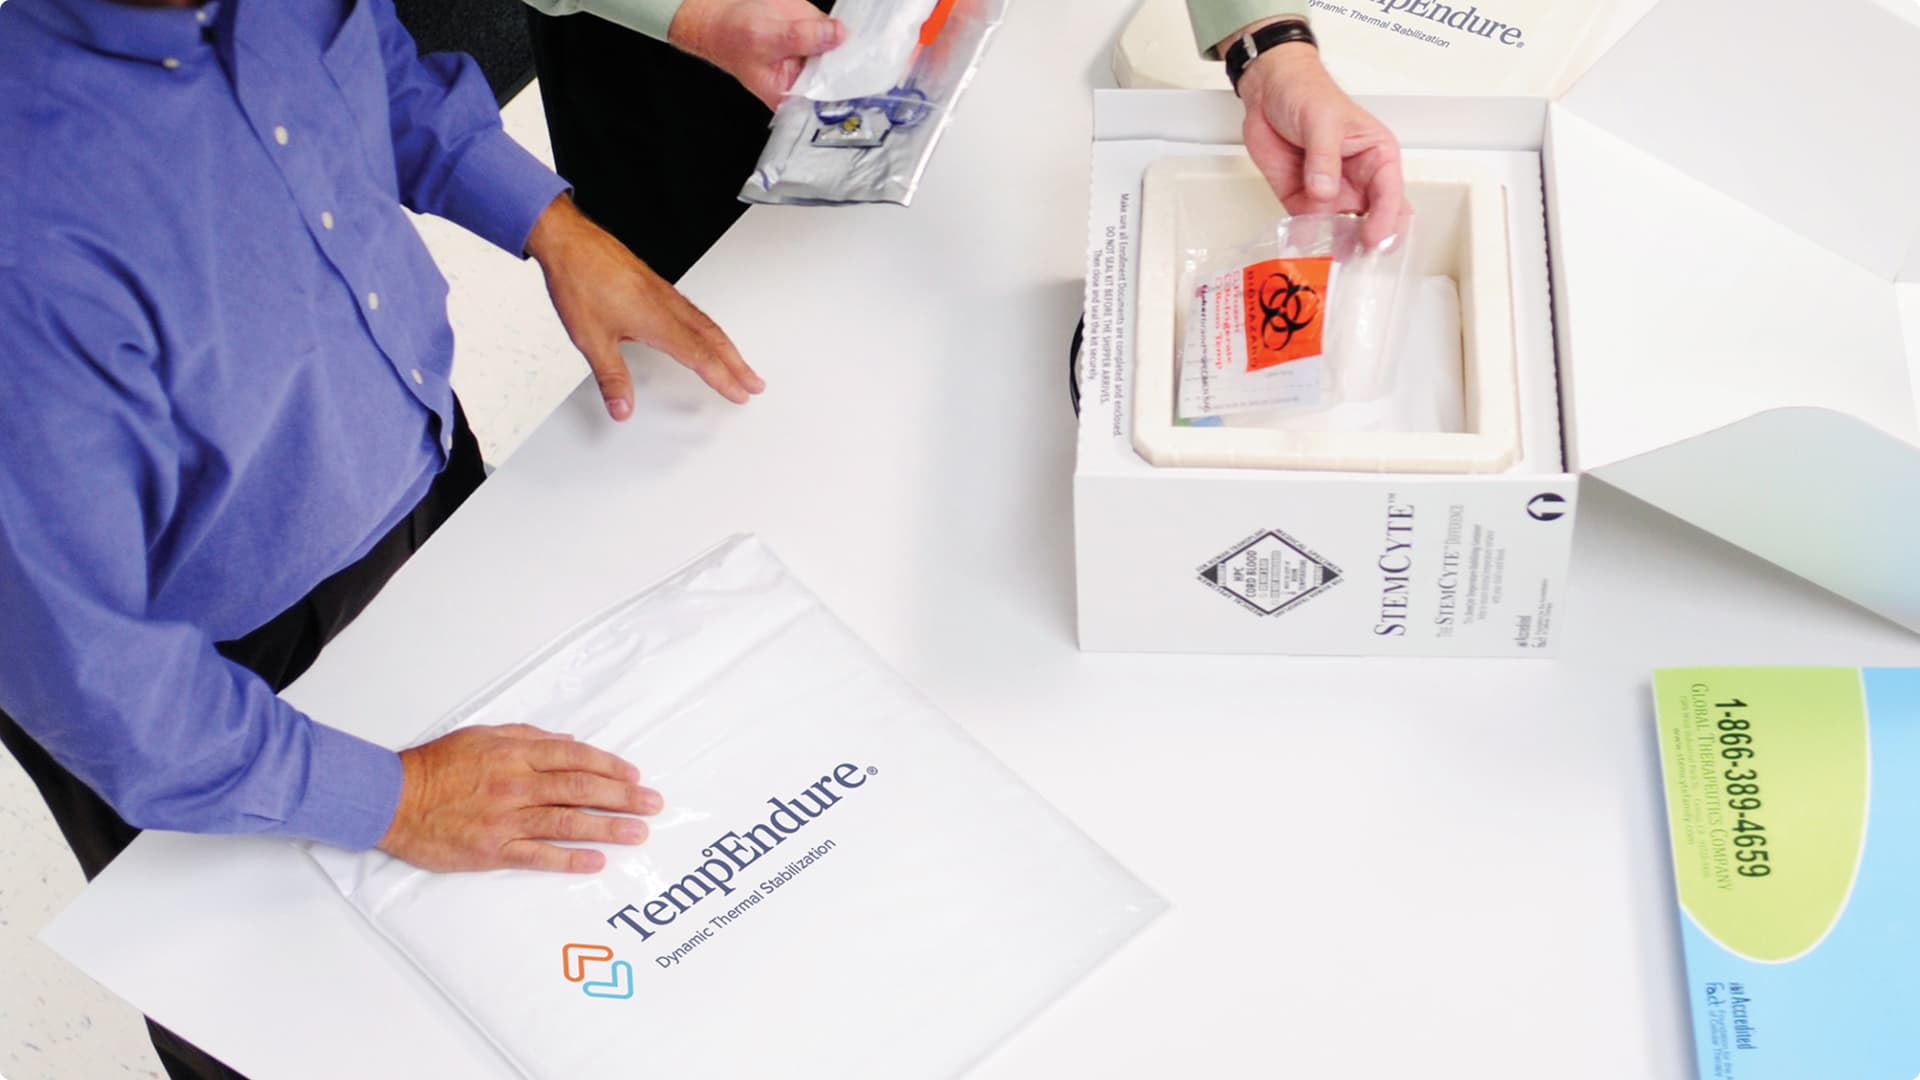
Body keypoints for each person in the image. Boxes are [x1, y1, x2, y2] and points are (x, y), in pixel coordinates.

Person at [0, 0, 749, 1076]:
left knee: (530, 939)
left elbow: (362, 72)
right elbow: (108, 697)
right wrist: (402, 801)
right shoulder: (22, 238)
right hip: (218, 672)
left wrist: (551, 225)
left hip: (418, 468)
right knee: (302, 1027)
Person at [519, 0, 1406, 278]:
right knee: (724, 339)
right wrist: (690, 13)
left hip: (936, 35)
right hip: (670, 55)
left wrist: (1267, 46)